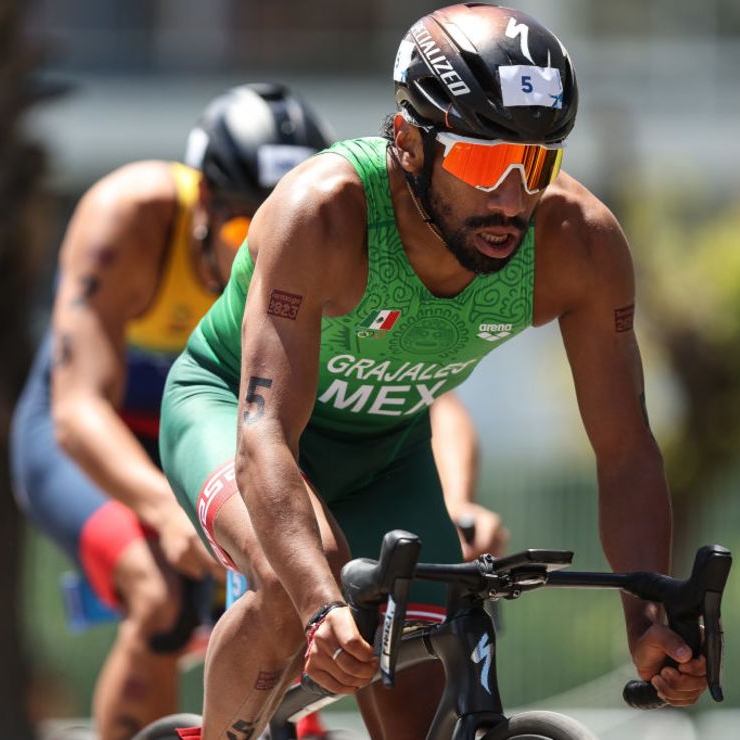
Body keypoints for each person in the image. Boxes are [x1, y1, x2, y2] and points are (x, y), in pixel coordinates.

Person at [159, 4, 705, 739]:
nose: (513, 199)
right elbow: (264, 434)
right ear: (410, 144)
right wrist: (321, 604)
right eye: (484, 162)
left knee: (420, 711)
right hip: (234, 417)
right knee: (298, 582)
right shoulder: (322, 214)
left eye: (538, 163)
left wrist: (647, 618)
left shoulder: (580, 244)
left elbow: (626, 450)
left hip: (387, 450)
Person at [9, 82, 493, 740]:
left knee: (311, 574)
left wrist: (460, 505)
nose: (258, 247)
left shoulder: (328, 232)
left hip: (244, 432)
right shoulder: (133, 215)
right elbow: (76, 408)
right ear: (200, 201)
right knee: (161, 591)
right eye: (241, 226)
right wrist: (159, 511)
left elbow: (433, 401)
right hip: (99, 436)